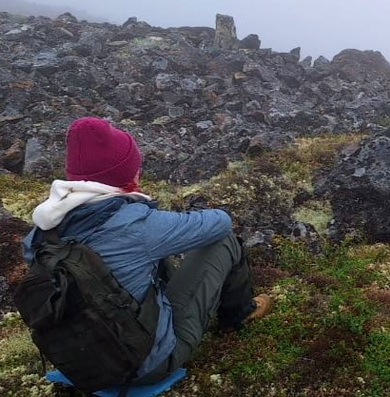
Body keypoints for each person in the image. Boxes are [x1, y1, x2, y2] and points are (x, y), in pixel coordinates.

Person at [21, 117, 274, 385]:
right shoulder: (136, 224)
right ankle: (239, 314)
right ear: (123, 174)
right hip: (145, 367)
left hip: (79, 365)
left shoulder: (41, 232)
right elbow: (220, 223)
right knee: (224, 241)